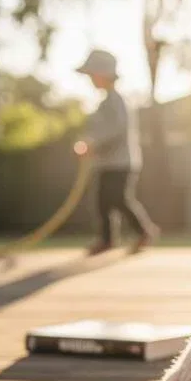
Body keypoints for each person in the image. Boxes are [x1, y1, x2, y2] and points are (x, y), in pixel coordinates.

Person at [76, 48, 160, 255]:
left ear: (103, 75)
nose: (91, 80)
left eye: (92, 75)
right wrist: (88, 143)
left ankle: (144, 231)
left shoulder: (117, 101)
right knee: (102, 201)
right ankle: (107, 239)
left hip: (121, 163)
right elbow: (98, 130)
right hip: (106, 163)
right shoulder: (104, 103)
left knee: (118, 198)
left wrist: (93, 143)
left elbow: (117, 129)